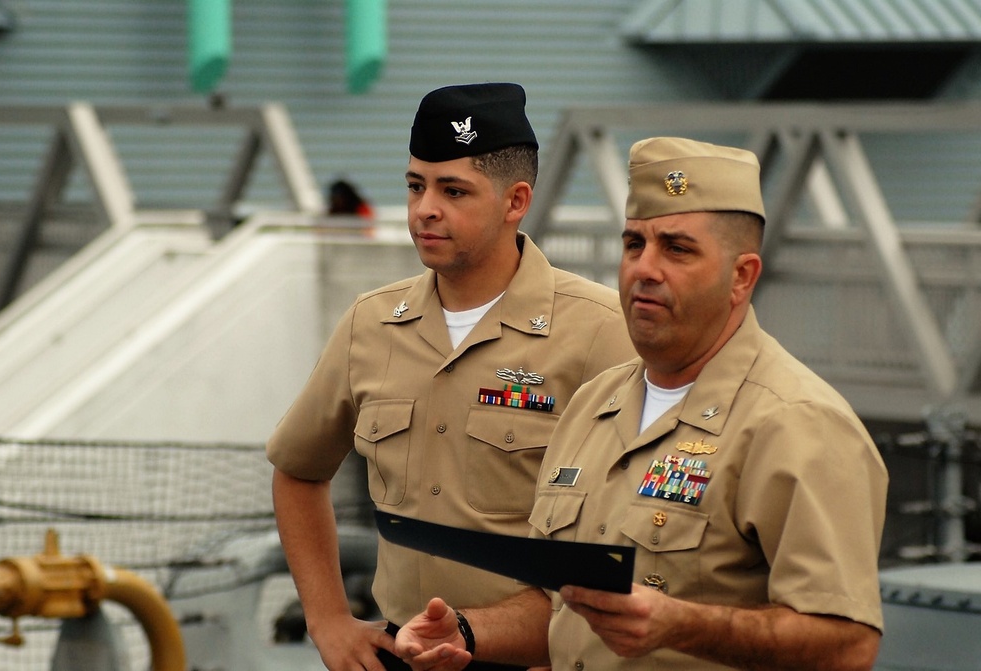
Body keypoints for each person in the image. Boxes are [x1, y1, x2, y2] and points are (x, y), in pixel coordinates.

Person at [393, 137, 889, 671]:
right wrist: (467, 632)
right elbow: (561, 607)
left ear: (741, 277)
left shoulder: (795, 423)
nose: (644, 269)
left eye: (677, 249)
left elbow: (848, 643)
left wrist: (682, 625)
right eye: (634, 245)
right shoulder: (595, 404)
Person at [265, 82, 635, 671]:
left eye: (453, 190)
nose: (424, 209)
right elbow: (296, 471)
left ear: (516, 202)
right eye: (415, 186)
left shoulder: (601, 332)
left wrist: (474, 632)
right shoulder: (372, 324)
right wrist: (328, 619)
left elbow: (630, 550)